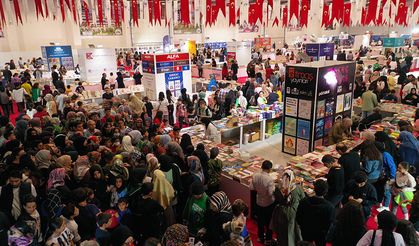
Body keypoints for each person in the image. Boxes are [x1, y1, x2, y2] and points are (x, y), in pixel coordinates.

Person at [270, 169, 305, 246]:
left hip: (281, 212)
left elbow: (276, 198)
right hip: (294, 212)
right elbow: (303, 198)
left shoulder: (278, 188)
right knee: (293, 230)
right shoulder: (297, 188)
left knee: (282, 230)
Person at [296, 179, 335, 246]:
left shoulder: (304, 201)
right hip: (320, 235)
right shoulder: (330, 207)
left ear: (314, 189)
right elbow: (328, 225)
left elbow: (298, 218)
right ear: (326, 192)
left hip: (306, 231)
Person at [250, 160, 276, 244]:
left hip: (258, 201)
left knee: (260, 221)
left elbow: (251, 188)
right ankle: (268, 239)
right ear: (269, 169)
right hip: (268, 203)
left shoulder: (255, 176)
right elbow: (270, 193)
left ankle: (260, 237)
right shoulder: (269, 179)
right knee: (269, 222)